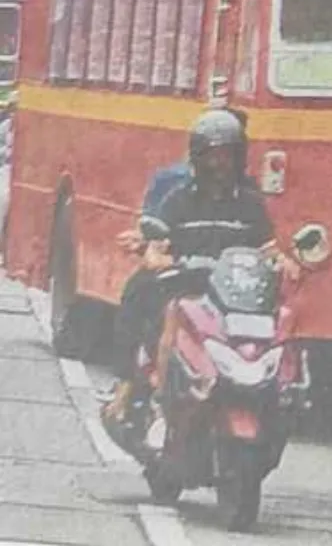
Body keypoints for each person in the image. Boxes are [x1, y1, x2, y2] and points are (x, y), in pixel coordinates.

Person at [102, 108, 279, 426]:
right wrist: (157, 257)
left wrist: (283, 262)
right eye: (212, 156)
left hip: (233, 295)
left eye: (226, 156)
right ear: (198, 158)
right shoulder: (177, 199)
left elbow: (268, 248)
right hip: (185, 287)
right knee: (140, 293)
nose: (218, 165)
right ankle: (131, 387)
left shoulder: (251, 204)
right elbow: (157, 246)